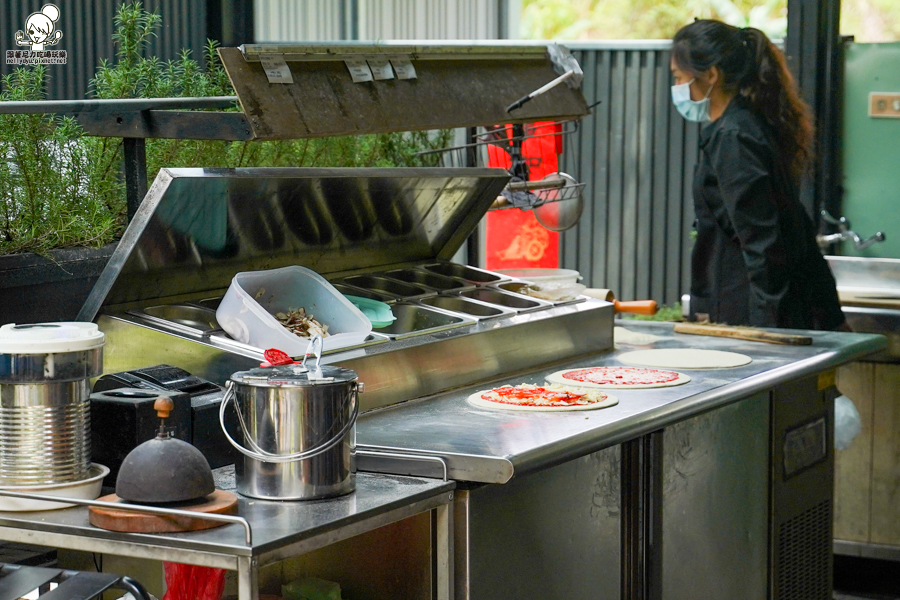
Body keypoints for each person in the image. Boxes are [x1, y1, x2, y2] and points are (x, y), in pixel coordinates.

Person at [670, 19, 847, 330]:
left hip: (760, 313)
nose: (677, 88)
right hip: (760, 306)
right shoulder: (746, 125)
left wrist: (768, 330)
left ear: (711, 75)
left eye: (679, 78)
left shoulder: (734, 137)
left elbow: (761, 242)